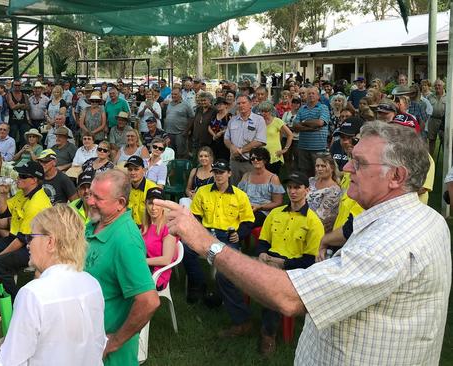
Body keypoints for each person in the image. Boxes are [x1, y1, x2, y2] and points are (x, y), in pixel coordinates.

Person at [158, 121, 450, 365]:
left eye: (358, 163)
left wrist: (207, 243)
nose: (346, 168)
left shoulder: (391, 241)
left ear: (396, 176)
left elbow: (290, 297)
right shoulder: (426, 219)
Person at [0, 204, 105, 366]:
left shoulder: (33, 294)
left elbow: (9, 363)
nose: (28, 244)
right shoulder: (92, 284)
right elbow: (97, 345)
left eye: (31, 237)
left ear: (50, 242)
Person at [84, 169, 160, 365]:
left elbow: (149, 301)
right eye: (90, 194)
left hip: (109, 356)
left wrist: (115, 341)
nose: (90, 201)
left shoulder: (126, 240)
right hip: (86, 343)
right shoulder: (94, 223)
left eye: (98, 198)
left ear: (120, 204)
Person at [255, 171, 324, 356]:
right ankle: (240, 321)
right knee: (228, 273)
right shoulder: (276, 213)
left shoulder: (313, 222)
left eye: (297, 187)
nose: (292, 191)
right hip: (268, 260)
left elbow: (309, 260)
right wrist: (261, 253)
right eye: (290, 187)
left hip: (293, 269)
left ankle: (268, 334)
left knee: (272, 287)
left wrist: (283, 263)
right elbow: (262, 242)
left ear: (307, 190)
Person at [187, 159, 255, 334]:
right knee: (185, 249)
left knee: (226, 271)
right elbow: (195, 217)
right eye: (215, 172)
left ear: (229, 174)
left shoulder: (240, 195)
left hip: (228, 235)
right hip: (207, 233)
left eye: (221, 172)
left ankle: (233, 310)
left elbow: (248, 222)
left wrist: (238, 234)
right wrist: (199, 233)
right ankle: (199, 284)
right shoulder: (203, 192)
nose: (218, 175)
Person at [0, 161, 51, 307]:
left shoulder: (37, 203)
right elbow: (2, 212)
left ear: (34, 180)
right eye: (19, 175)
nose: (18, 178)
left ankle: (15, 302)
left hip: (35, 247)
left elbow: (23, 239)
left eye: (23, 176)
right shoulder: (22, 194)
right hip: (19, 238)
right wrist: (3, 194)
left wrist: (0, 255)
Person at [224, 94, 267, 185]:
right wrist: (232, 147)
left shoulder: (259, 120)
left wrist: (241, 150)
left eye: (244, 103)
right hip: (234, 162)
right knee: (233, 189)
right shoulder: (233, 120)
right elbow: (226, 139)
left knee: (251, 189)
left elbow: (260, 140)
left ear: (251, 104)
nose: (241, 105)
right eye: (239, 103)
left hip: (250, 162)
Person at [237, 147, 284, 228]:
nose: (255, 160)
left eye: (258, 158)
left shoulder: (273, 178)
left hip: (264, 211)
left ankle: (236, 237)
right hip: (246, 208)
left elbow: (278, 202)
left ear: (265, 160)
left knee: (247, 222)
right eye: (252, 158)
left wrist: (260, 207)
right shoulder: (246, 176)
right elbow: (238, 195)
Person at [141, 187, 177, 291]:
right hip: (144, 268)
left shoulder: (168, 228)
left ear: (164, 206)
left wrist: (140, 261)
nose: (153, 208)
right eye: (150, 203)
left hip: (157, 274)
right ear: (146, 204)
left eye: (158, 204)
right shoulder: (145, 226)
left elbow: (166, 260)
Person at [293, 86, 330, 177]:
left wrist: (304, 122)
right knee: (304, 174)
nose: (311, 95)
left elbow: (320, 123)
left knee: (319, 173)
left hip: (318, 148)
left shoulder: (323, 108)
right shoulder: (302, 109)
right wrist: (310, 127)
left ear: (318, 96)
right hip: (303, 147)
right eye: (309, 93)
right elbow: (295, 126)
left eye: (313, 93)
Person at [307, 153, 341, 233]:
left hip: (317, 226)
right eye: (317, 166)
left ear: (332, 168)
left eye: (323, 166)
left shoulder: (334, 190)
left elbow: (321, 215)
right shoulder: (311, 181)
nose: (319, 169)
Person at [258, 101, 293, 175]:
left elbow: (290, 135)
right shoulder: (259, 122)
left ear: (270, 111)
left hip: (275, 155)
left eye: (265, 111)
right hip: (261, 155)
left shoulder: (277, 121)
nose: (263, 113)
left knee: (274, 179)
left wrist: (285, 149)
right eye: (262, 111)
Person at [125, 155, 158, 227]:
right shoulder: (125, 187)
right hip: (128, 226)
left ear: (143, 170)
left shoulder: (152, 189)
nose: (132, 173)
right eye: (130, 169)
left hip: (147, 228)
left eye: (136, 169)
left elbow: (157, 218)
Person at [163, 87, 194, 159]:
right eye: (172, 94)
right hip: (169, 133)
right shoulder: (169, 104)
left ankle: (181, 168)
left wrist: (186, 131)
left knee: (181, 153)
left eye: (175, 94)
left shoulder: (186, 105)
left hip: (180, 133)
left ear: (180, 94)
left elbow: (192, 118)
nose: (173, 96)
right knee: (170, 153)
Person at [6, 79, 29, 147]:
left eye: (19, 85)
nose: (17, 86)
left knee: (24, 139)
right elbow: (12, 107)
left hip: (23, 121)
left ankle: (23, 153)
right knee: (12, 138)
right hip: (13, 121)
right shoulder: (9, 94)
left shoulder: (24, 95)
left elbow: (28, 107)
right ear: (13, 86)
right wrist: (22, 105)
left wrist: (17, 106)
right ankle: (12, 153)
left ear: (21, 86)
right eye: (15, 85)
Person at [427, 79, 446, 155]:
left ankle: (446, 160)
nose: (437, 87)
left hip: (443, 121)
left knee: (444, 141)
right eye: (436, 85)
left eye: (439, 85)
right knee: (431, 141)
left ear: (443, 86)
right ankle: (430, 160)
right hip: (432, 121)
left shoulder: (448, 96)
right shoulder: (429, 96)